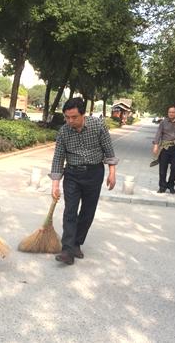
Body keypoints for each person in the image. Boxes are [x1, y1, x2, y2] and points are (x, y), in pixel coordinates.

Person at [50, 98, 118, 265]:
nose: (70, 121)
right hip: (72, 174)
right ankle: (67, 249)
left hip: (94, 173)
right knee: (70, 211)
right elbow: (58, 157)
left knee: (88, 212)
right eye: (67, 117)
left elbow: (108, 149)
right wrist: (55, 184)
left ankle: (76, 243)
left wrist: (112, 172)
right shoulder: (64, 131)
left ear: (83, 114)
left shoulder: (98, 126)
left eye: (74, 117)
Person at [152, 106, 175, 194]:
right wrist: (156, 145)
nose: (171, 113)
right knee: (162, 168)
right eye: (169, 112)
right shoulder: (163, 122)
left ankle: (171, 185)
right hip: (165, 147)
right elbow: (158, 133)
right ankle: (162, 187)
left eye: (173, 112)